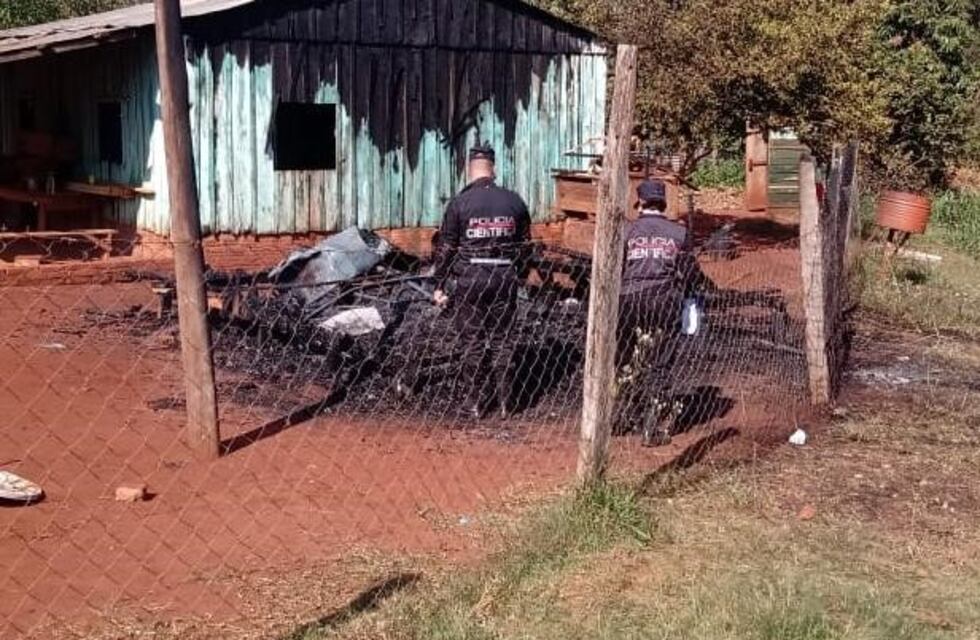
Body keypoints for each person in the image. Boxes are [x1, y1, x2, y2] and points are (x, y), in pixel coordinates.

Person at [432, 143, 532, 419]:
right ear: (494, 169)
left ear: (469, 170)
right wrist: (518, 276)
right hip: (504, 276)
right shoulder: (514, 201)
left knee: (473, 341)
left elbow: (446, 247)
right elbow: (526, 246)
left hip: (470, 279)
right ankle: (505, 402)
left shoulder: (459, 203)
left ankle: (474, 402)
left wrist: (439, 285)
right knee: (502, 340)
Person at [617, 178, 709, 446]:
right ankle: (651, 428)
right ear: (663, 203)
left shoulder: (627, 231)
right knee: (660, 363)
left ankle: (624, 416)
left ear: (641, 203)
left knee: (625, 362)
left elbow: (615, 269)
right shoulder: (678, 233)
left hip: (628, 301)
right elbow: (690, 272)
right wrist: (693, 295)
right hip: (664, 300)